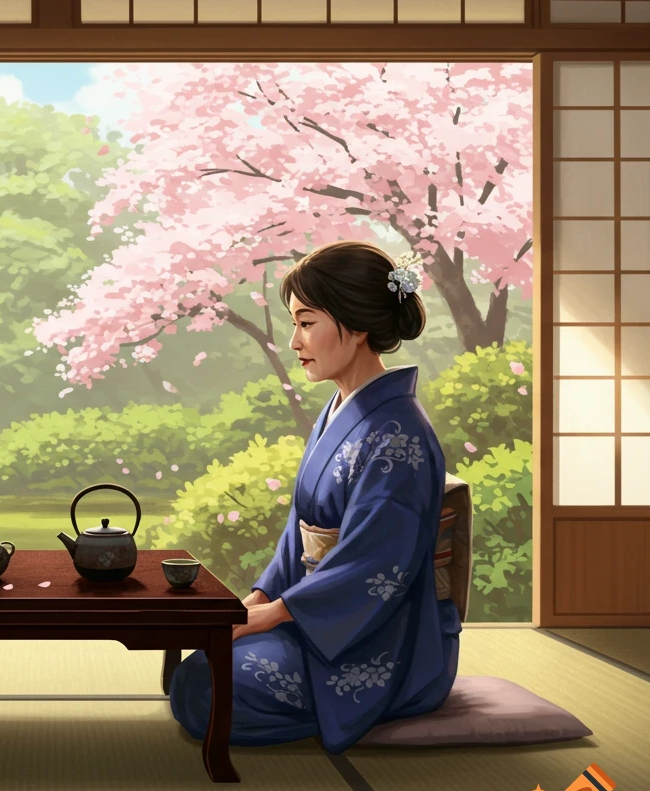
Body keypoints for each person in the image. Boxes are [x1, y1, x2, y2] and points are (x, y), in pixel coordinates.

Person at [168, 240, 460, 754]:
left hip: (378, 636)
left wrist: (274, 615)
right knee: (198, 672)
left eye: (307, 322)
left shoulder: (399, 435)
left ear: (358, 324)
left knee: (207, 689)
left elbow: (375, 566)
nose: (295, 340)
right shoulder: (339, 410)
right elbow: (298, 531)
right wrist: (256, 601)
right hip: (315, 616)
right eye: (294, 323)